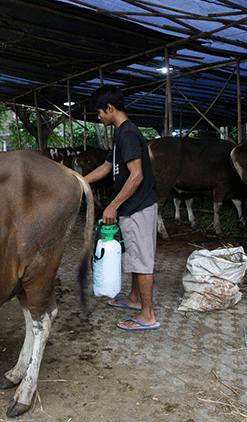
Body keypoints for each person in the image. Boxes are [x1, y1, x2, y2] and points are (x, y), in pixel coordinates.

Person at [83, 85, 160, 331]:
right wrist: (79, 182)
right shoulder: (121, 134)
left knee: (143, 261)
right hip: (133, 208)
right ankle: (135, 300)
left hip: (138, 207)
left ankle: (148, 316)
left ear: (110, 108)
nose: (99, 117)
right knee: (136, 257)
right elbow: (107, 167)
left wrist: (112, 206)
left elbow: (136, 176)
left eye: (99, 113)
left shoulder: (127, 134)